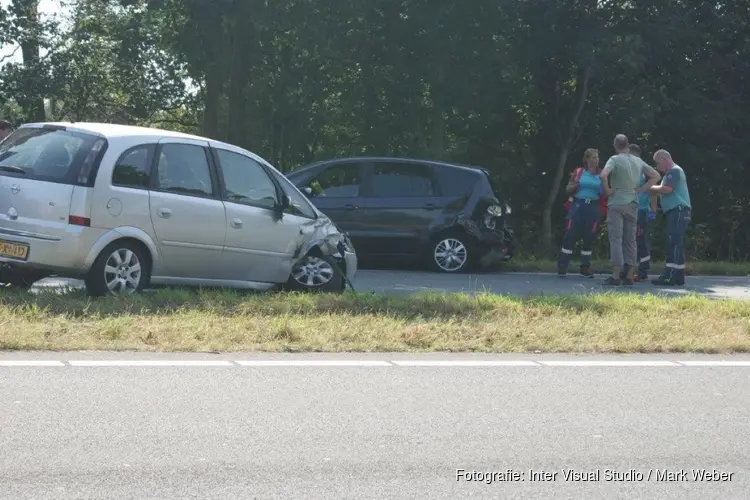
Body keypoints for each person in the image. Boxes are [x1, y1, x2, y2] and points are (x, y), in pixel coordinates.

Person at [599, 134, 660, 286]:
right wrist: (642, 189)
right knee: (631, 240)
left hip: (616, 202)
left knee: (616, 239)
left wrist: (608, 190)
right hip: (633, 203)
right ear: (628, 144)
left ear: (615, 145)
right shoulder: (638, 160)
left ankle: (615, 275)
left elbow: (603, 174)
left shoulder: (614, 159)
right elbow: (656, 175)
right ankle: (630, 275)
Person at [557, 148, 604, 278]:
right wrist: (575, 185)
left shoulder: (601, 174)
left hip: (593, 206)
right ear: (587, 159)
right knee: (570, 234)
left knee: (589, 237)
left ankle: (585, 267)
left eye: (597, 157)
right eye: (593, 157)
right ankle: (563, 265)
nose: (596, 160)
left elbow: (605, 192)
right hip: (578, 205)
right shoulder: (579, 172)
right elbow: (568, 188)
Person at [649, 149, 691, 286]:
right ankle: (678, 275)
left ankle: (669, 275)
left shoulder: (673, 171)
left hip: (677, 211)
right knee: (676, 243)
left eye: (657, 163)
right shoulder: (673, 172)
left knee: (673, 242)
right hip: (677, 211)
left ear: (664, 159)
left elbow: (667, 189)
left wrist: (650, 188)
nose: (657, 167)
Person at [622, 144, 659, 282]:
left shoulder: (645, 170)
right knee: (628, 240)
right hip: (629, 209)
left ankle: (643, 270)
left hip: (642, 210)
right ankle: (627, 269)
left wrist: (653, 211)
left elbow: (653, 191)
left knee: (640, 240)